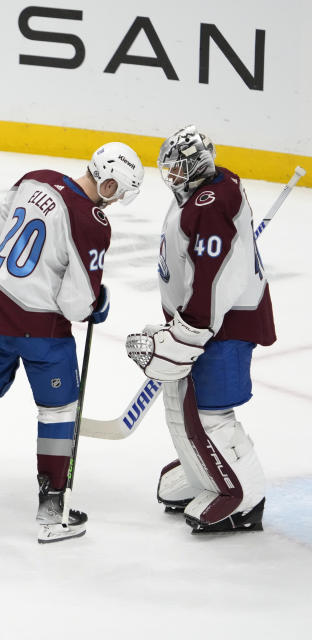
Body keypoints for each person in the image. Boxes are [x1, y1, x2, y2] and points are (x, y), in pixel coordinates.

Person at [0, 142, 144, 543]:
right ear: (108, 184)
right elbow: (76, 303)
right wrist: (95, 304)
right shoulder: (92, 221)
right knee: (59, 411)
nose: (113, 203)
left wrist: (11, 281)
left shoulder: (34, 179)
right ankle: (53, 511)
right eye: (117, 193)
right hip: (39, 328)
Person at [125, 125, 272, 534]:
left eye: (178, 168)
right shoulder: (205, 193)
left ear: (197, 166)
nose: (171, 176)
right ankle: (205, 476)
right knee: (187, 403)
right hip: (206, 319)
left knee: (211, 413)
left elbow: (214, 276)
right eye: (168, 169)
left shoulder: (209, 205)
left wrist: (191, 329)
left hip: (221, 325)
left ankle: (243, 495)